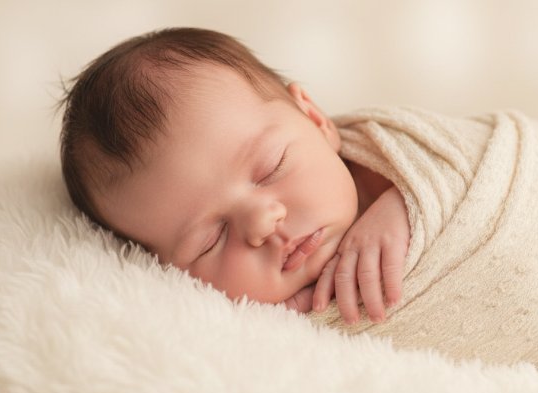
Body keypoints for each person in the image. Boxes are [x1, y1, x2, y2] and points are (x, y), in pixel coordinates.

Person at [60, 27, 408, 325]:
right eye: (211, 240)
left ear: (315, 119)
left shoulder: (394, 155)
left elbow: (464, 155)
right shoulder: (249, 332)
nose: (261, 223)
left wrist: (405, 205)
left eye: (272, 168)